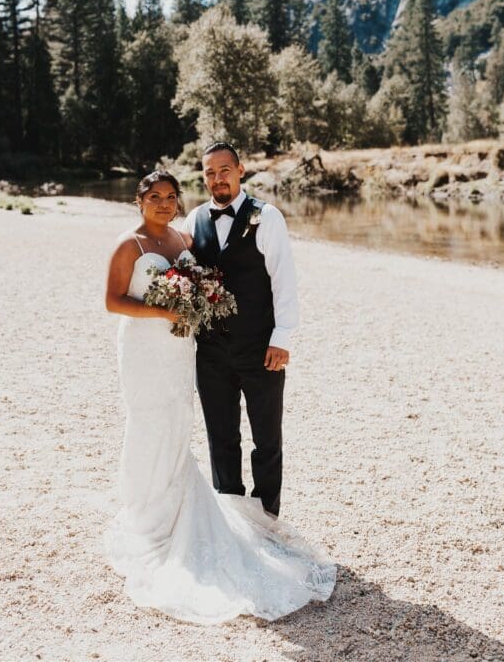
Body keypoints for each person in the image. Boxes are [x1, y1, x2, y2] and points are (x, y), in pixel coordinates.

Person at [104, 169, 336, 624]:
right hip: (144, 348)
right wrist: (164, 307)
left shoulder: (183, 237)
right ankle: (148, 517)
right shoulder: (130, 243)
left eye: (171, 195)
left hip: (179, 349)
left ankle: (249, 514)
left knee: (182, 423)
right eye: (155, 197)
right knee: (152, 422)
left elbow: (270, 279)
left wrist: (277, 332)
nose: (165, 203)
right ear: (139, 201)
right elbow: (113, 299)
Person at [184, 141, 295, 518]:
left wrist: (281, 338)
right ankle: (231, 519)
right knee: (221, 437)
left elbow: (284, 281)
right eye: (210, 173)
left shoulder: (268, 217)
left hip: (260, 347)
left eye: (224, 170)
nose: (217, 179)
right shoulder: (194, 219)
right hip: (211, 351)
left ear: (240, 170)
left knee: (266, 439)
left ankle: (267, 520)